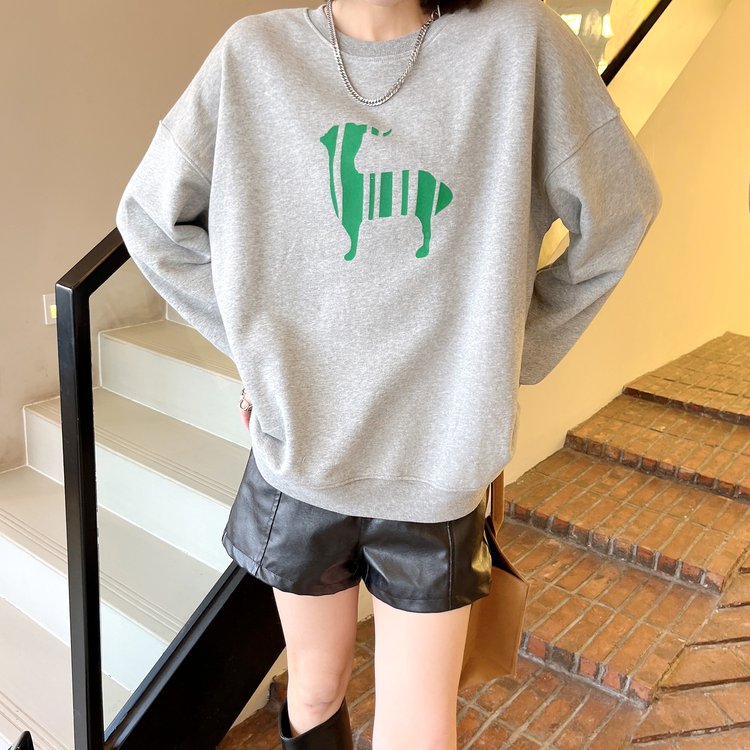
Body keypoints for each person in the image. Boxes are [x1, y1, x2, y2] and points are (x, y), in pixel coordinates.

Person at [115, 0, 663, 747]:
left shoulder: (520, 44)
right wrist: (258, 351)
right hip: (303, 463)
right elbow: (151, 222)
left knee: (418, 721)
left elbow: (621, 212)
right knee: (314, 686)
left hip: (437, 470)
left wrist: (510, 351)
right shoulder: (254, 55)